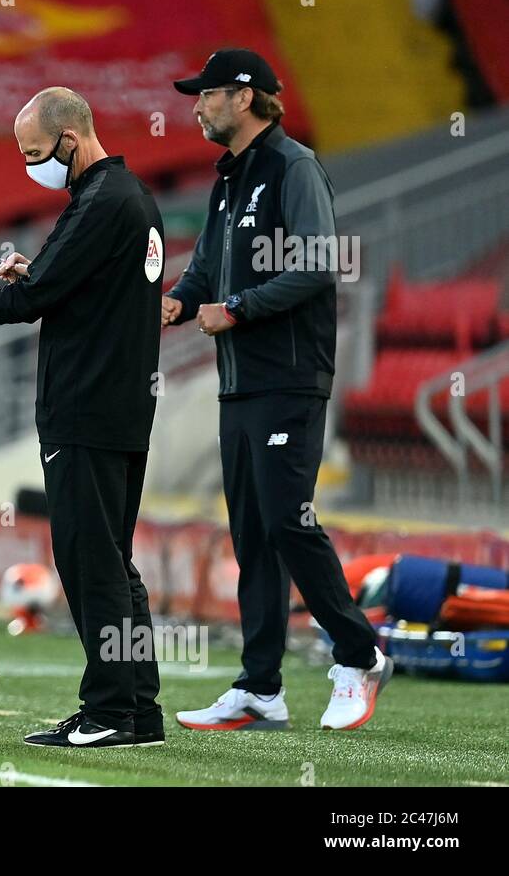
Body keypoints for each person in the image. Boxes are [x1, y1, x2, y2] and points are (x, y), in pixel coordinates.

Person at [162, 49, 392, 731]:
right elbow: (205, 266)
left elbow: (320, 266)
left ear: (243, 96)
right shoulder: (230, 179)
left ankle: (360, 653)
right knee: (254, 535)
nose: (195, 106)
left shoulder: (293, 166)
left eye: (204, 95)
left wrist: (234, 310)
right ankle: (261, 686)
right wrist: (176, 301)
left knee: (289, 520)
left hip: (289, 376)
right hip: (241, 382)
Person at [0, 87, 165, 749]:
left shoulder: (98, 201)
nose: (34, 166)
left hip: (86, 408)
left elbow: (35, 298)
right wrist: (38, 276)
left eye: (37, 154)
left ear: (70, 139)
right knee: (114, 563)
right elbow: (79, 288)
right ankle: (136, 711)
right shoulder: (132, 198)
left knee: (91, 563)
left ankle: (110, 712)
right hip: (121, 405)